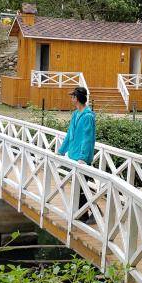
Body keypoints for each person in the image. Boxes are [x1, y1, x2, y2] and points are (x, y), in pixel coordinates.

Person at [58, 86, 96, 223]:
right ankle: (84, 214)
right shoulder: (75, 114)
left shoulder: (88, 116)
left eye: (73, 96)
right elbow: (69, 134)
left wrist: (83, 157)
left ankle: (96, 212)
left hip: (82, 158)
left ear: (78, 98)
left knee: (83, 186)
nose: (71, 98)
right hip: (73, 155)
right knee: (78, 185)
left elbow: (88, 138)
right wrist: (61, 150)